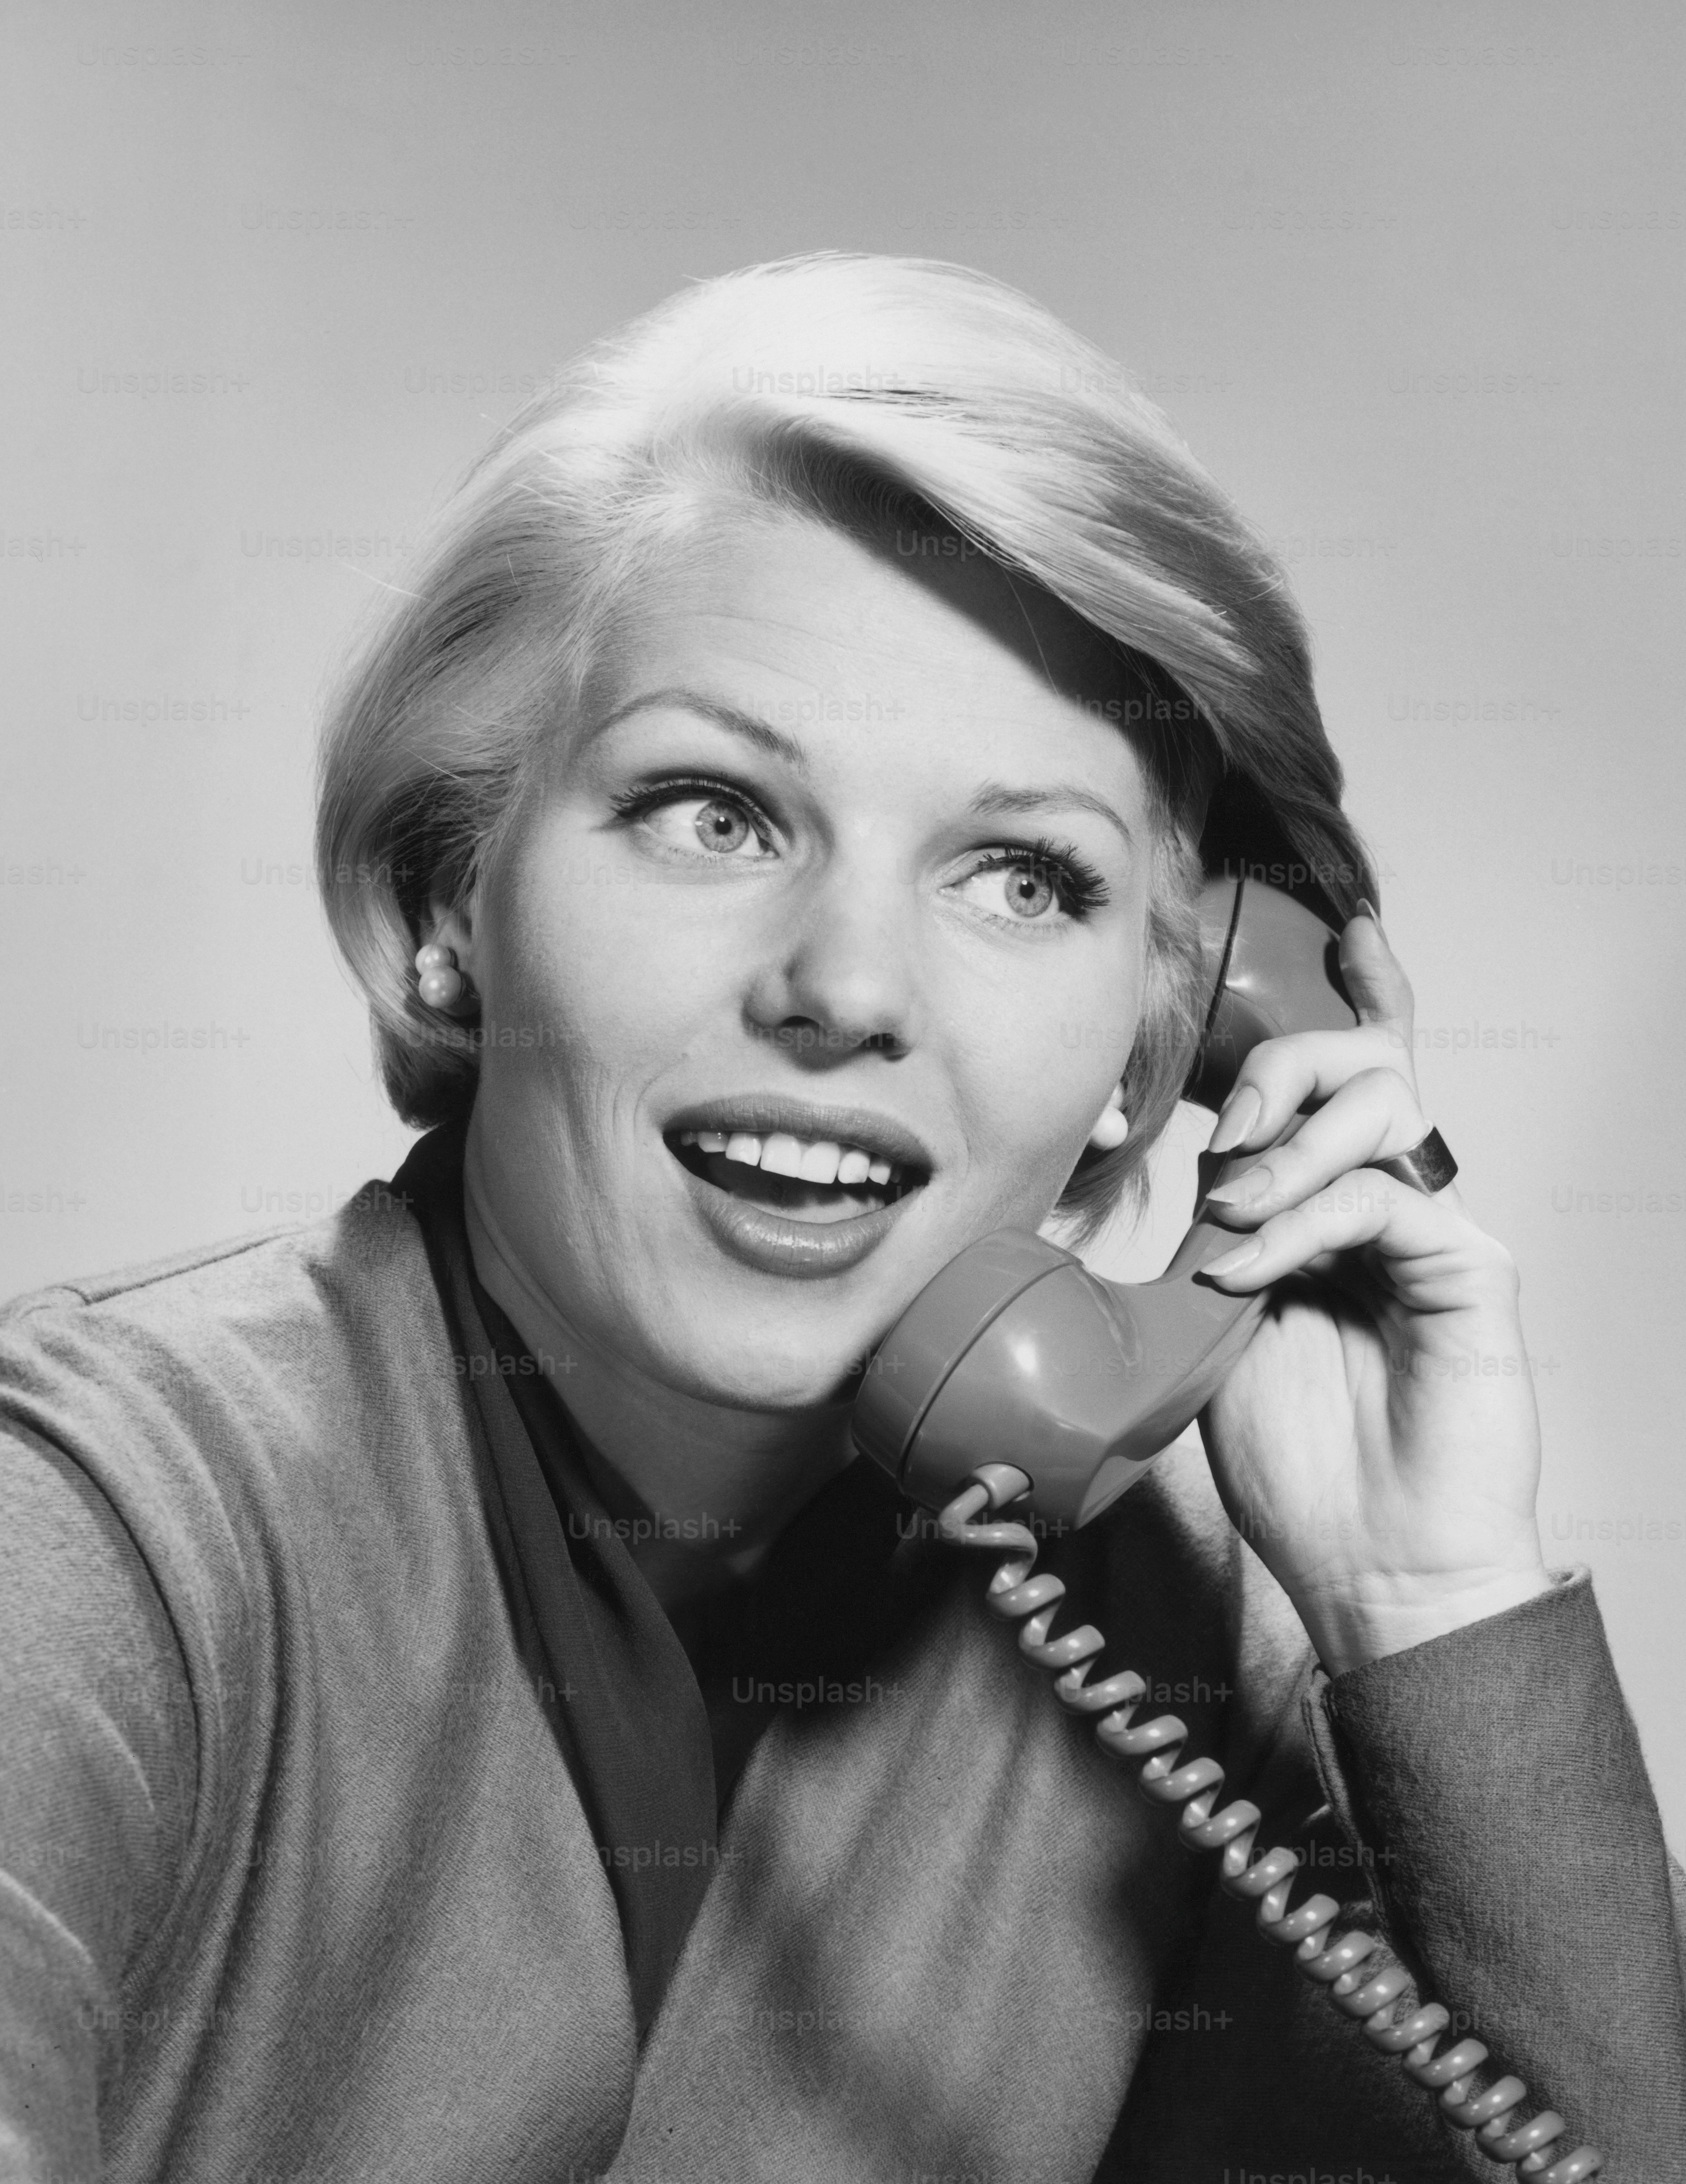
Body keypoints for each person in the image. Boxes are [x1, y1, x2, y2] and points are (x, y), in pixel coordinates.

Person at [2, 252, 1680, 2184]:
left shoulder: (1173, 1653)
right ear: (450, 900)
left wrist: (1426, 1608)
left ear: (1173, 1044)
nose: (846, 984)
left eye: (1023, 879)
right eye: (715, 812)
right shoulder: (93, 1535)